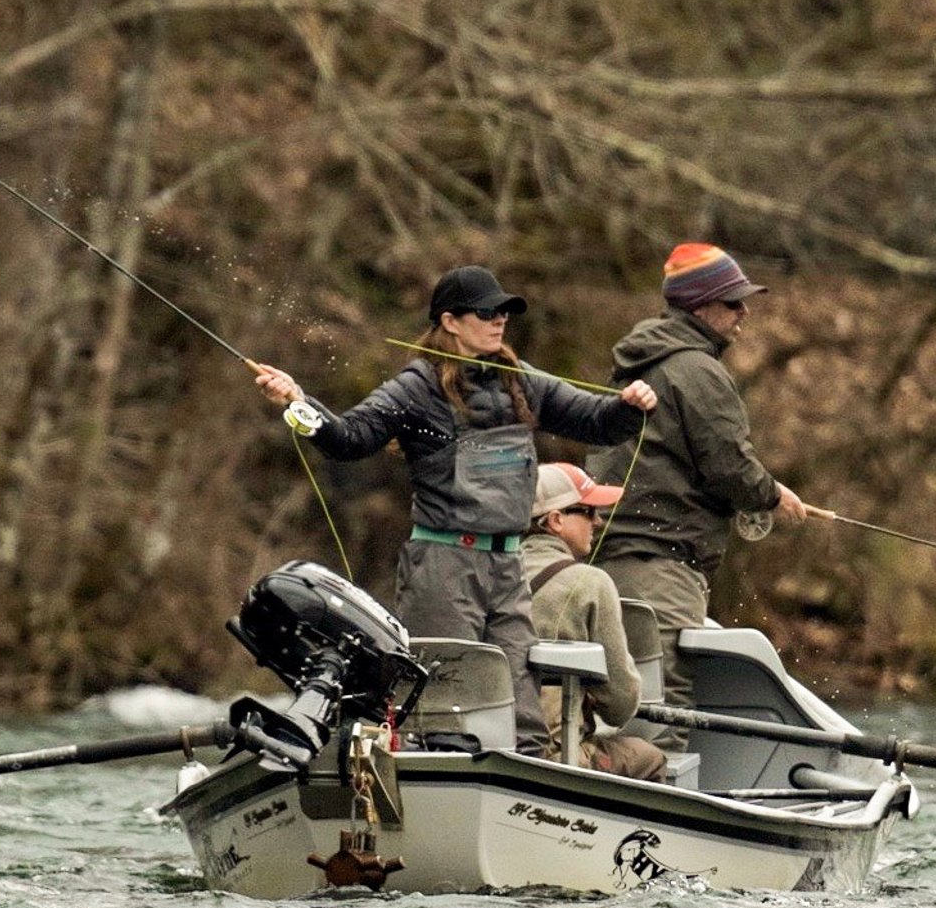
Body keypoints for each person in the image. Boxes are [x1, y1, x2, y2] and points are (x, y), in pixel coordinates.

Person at [253, 265, 658, 756]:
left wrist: (631, 406)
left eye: (504, 312)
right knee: (446, 713)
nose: (500, 321)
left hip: (507, 568)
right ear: (450, 320)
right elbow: (349, 439)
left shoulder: (521, 382)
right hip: (443, 569)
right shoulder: (414, 388)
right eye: (487, 312)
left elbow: (598, 422)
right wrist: (299, 403)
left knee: (522, 715)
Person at [587, 243, 807, 753]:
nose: (743, 313)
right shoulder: (697, 370)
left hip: (608, 557)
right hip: (662, 562)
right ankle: (655, 824)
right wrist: (772, 496)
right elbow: (728, 463)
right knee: (664, 705)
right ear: (700, 306)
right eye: (733, 303)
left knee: (619, 699)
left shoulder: (635, 363)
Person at [522, 463, 668, 782]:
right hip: (556, 755)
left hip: (498, 746)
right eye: (588, 511)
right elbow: (620, 706)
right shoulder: (591, 583)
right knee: (650, 758)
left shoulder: (491, 574)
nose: (598, 521)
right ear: (555, 520)